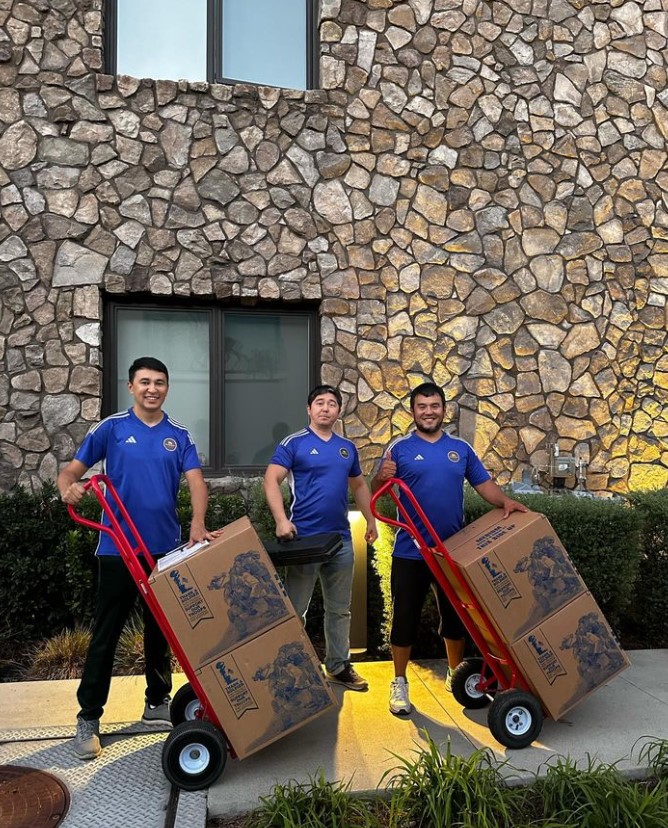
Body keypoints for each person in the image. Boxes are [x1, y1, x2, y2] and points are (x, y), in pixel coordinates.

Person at [57, 356, 217, 760]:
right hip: (117, 548)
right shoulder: (111, 428)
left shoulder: (178, 435)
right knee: (106, 634)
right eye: (144, 382)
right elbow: (70, 472)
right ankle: (88, 717)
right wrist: (68, 488)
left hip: (163, 548)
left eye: (159, 382)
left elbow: (197, 482)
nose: (152, 389)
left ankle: (157, 702)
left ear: (167, 388)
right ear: (131, 387)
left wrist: (198, 522)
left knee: (161, 629)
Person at [371, 381, 527, 716]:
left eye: (434, 406)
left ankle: (455, 676)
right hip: (411, 550)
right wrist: (380, 476)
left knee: (457, 618)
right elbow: (376, 491)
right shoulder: (399, 449)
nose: (429, 412)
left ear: (444, 410)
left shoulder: (460, 449)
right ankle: (399, 682)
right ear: (413, 411)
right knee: (404, 619)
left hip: (451, 551)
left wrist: (505, 501)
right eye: (422, 407)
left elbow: (484, 484)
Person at [263, 384, 378, 691]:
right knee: (295, 610)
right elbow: (271, 479)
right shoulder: (294, 443)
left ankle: (338, 667)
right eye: (320, 403)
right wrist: (281, 520)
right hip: (304, 541)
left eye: (332, 403)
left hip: (340, 541)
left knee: (340, 610)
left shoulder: (346, 448)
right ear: (309, 409)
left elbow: (359, 485)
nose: (325, 408)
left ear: (339, 411)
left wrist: (371, 519)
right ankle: (285, 669)